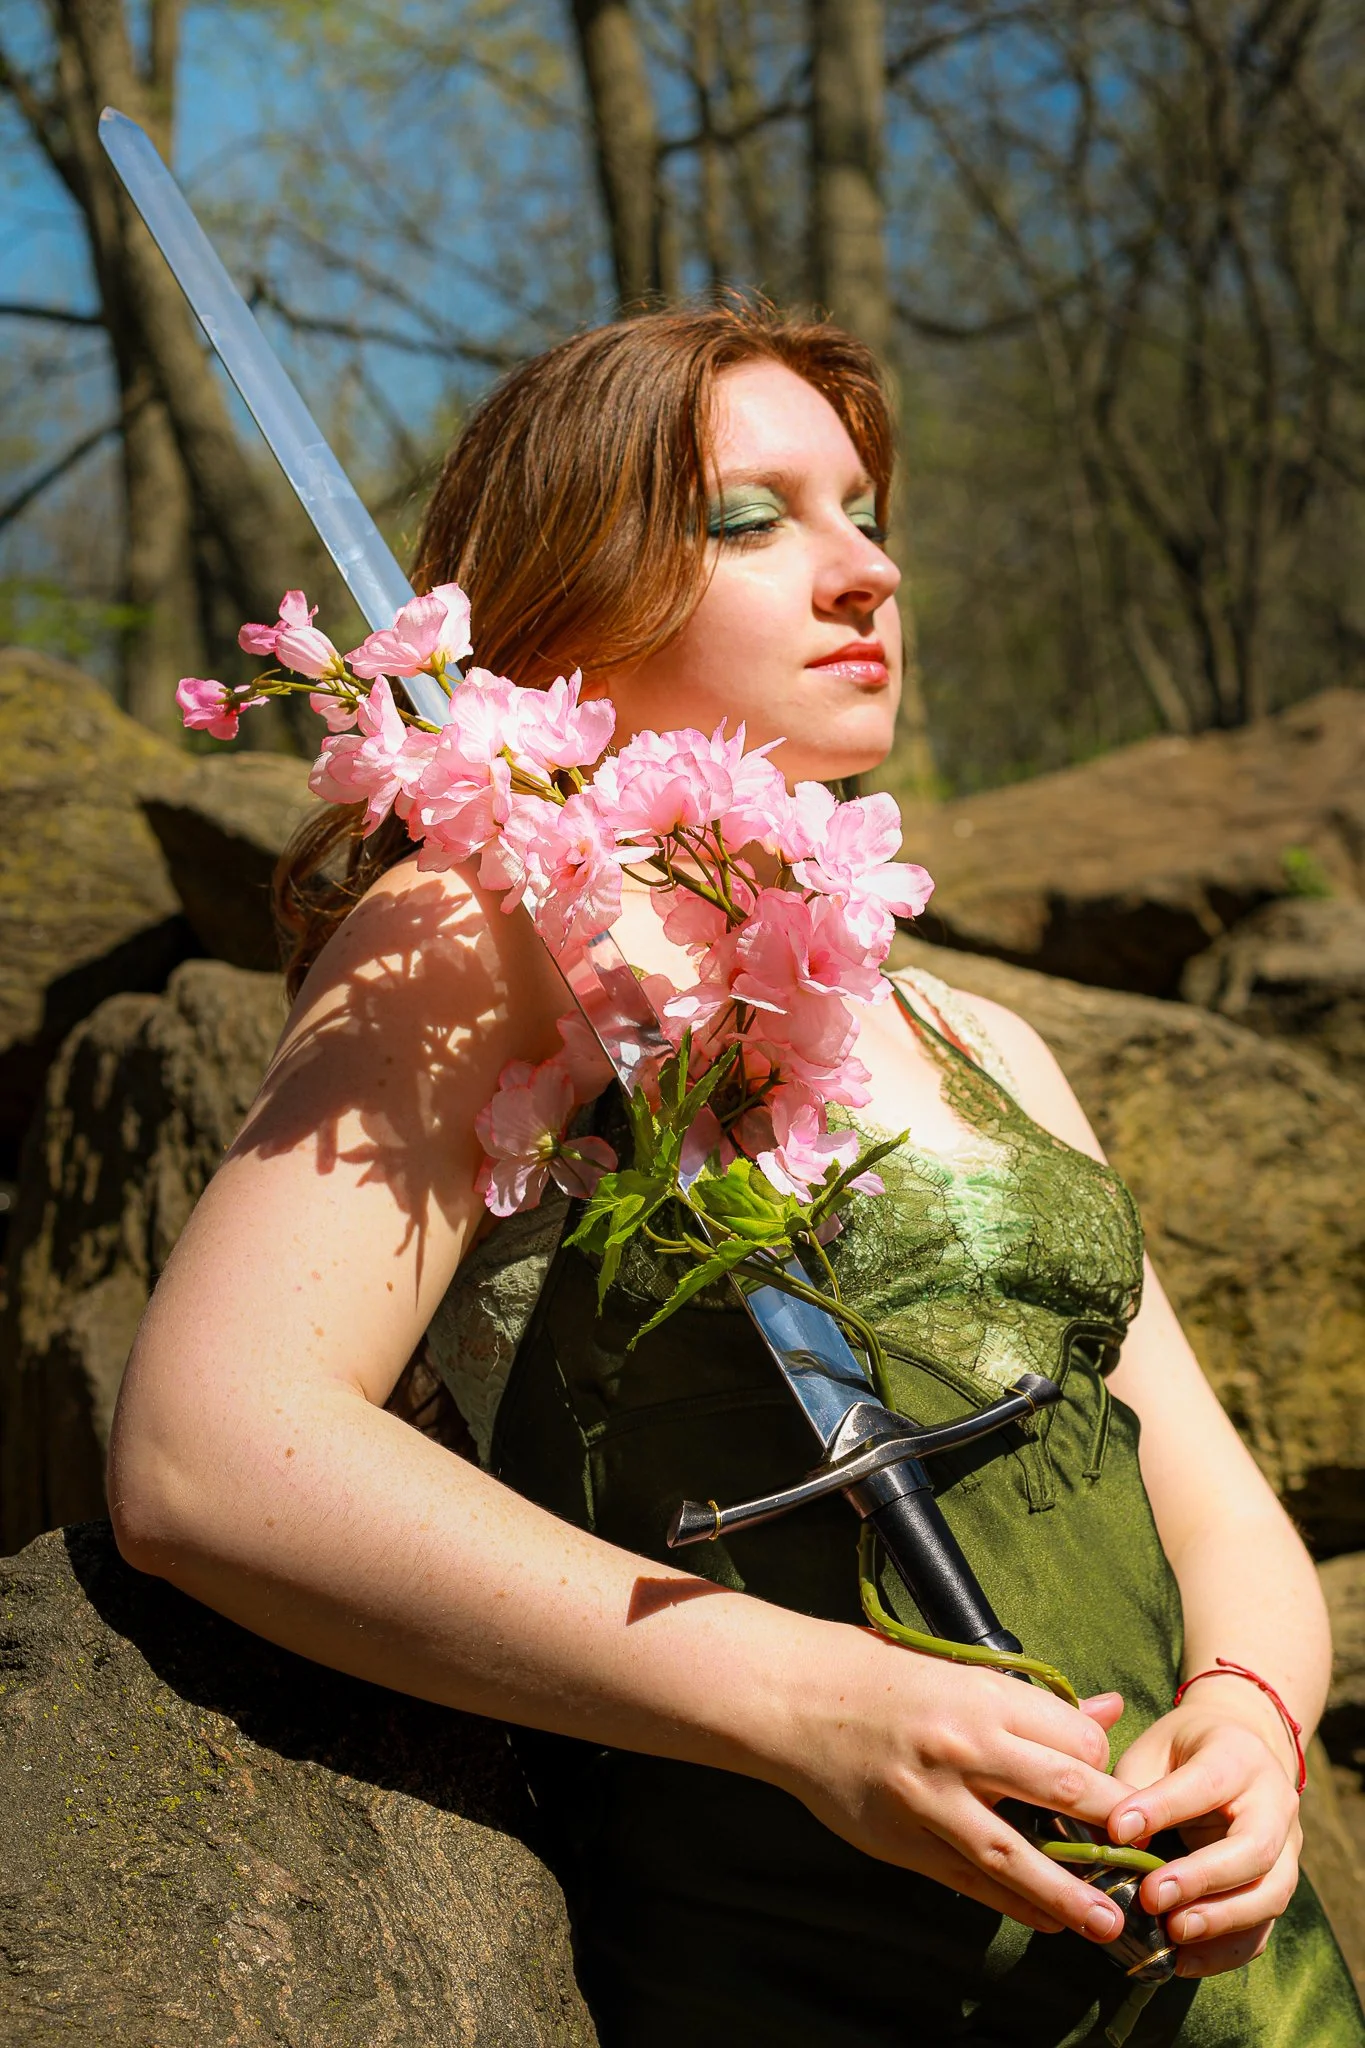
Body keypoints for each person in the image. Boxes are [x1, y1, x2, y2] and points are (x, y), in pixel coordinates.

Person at [107, 303, 1362, 2046]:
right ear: (558, 599)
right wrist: (801, 1698)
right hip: (819, 1978)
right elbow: (209, 1447)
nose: (867, 571)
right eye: (752, 518)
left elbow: (1214, 1499)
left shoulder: (989, 1040)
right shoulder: (480, 924)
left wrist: (1250, 1720)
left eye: (866, 507)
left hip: (1243, 1990)